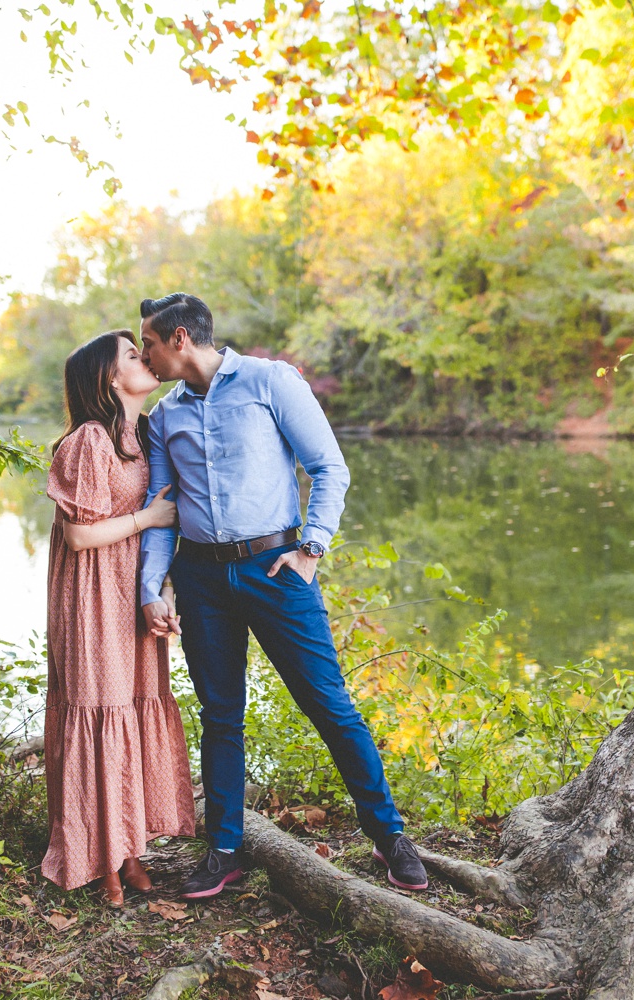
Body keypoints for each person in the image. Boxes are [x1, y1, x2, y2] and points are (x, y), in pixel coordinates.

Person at [135, 292, 428, 899]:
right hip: (202, 580)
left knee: (329, 704)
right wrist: (152, 588)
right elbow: (160, 512)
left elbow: (330, 467)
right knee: (221, 717)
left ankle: (388, 834)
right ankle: (223, 848)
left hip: (276, 568)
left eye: (152, 343)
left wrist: (310, 550)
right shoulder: (164, 417)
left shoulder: (271, 382)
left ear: (181, 338)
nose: (146, 356)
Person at [42, 330, 195, 906]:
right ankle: (100, 857)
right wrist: (148, 518)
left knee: (132, 704)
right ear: (109, 378)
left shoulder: (142, 433)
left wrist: (162, 590)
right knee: (100, 706)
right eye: (132, 355)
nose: (145, 358)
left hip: (131, 588)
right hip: (90, 593)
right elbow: (80, 534)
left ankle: (131, 848)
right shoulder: (88, 440)